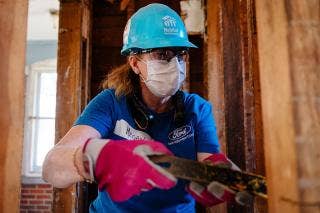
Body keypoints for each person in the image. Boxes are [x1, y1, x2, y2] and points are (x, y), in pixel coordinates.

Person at [42, 3, 242, 212]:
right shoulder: (111, 103)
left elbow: (209, 163)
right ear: (135, 63)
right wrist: (93, 157)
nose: (175, 64)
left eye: (180, 54)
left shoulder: (196, 109)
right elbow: (52, 167)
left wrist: (221, 176)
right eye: (162, 54)